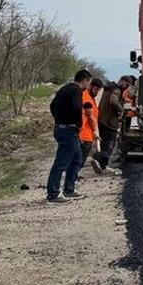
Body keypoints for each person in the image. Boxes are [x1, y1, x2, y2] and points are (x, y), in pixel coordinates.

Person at [46, 69, 93, 202]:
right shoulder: (76, 91)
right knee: (61, 162)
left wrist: (58, 118)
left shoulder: (64, 89)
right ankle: (53, 193)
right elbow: (76, 107)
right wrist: (77, 123)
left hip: (61, 128)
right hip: (68, 130)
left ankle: (69, 189)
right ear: (84, 81)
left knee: (77, 158)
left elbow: (52, 105)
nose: (87, 86)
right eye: (88, 83)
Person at [91, 76, 130, 173]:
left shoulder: (108, 88)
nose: (126, 87)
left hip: (101, 120)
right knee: (109, 145)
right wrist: (121, 109)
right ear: (122, 82)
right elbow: (113, 101)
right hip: (109, 122)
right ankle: (99, 161)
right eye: (127, 85)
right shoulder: (116, 90)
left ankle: (101, 164)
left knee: (103, 143)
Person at [79, 77, 103, 167]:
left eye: (98, 90)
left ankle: (75, 174)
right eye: (96, 89)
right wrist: (96, 131)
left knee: (81, 157)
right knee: (80, 157)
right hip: (84, 133)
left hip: (87, 133)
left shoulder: (90, 96)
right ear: (90, 86)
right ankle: (74, 175)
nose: (96, 92)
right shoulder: (86, 98)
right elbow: (91, 117)